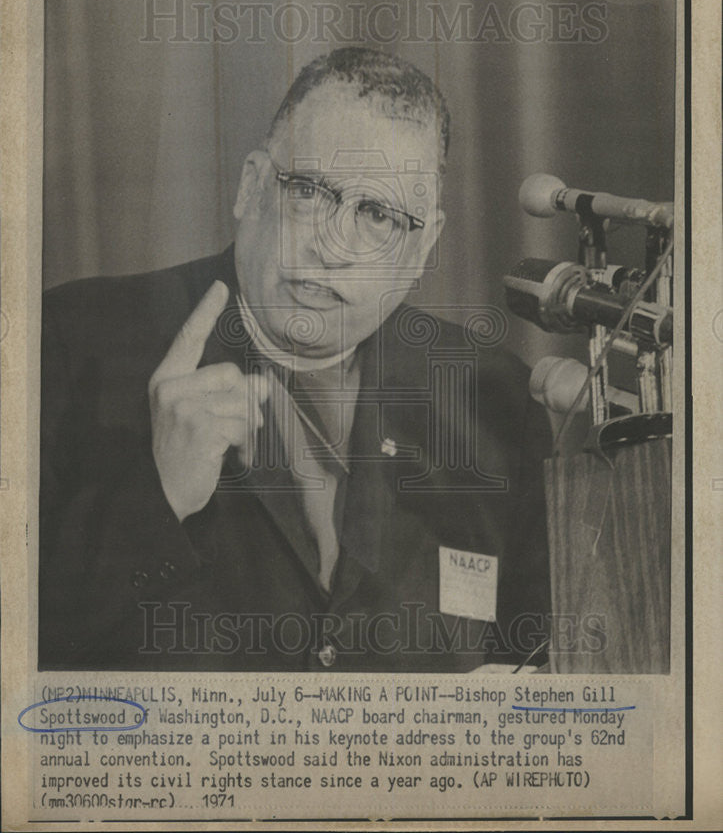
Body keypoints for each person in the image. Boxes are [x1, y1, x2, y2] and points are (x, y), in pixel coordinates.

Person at [39, 47, 551, 672]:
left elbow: (541, 666)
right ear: (252, 186)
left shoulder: (494, 400)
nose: (332, 247)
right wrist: (158, 497)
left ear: (423, 248)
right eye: (309, 191)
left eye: (377, 214)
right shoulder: (70, 342)